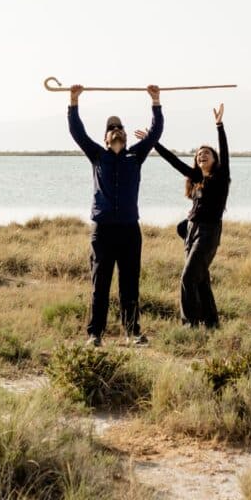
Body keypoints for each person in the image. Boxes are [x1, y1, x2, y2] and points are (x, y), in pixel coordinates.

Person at [67, 83, 163, 347]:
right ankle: (94, 334)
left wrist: (155, 101)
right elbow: (77, 132)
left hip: (130, 230)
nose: (116, 130)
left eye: (119, 127)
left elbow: (155, 133)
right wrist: (73, 102)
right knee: (101, 284)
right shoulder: (97, 156)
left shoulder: (136, 156)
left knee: (130, 284)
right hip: (103, 230)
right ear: (106, 137)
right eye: (111, 128)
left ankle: (133, 333)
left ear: (125, 135)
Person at [134, 103, 229, 329]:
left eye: (206, 153)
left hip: (208, 232)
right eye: (198, 154)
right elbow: (173, 160)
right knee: (201, 280)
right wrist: (153, 141)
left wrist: (219, 126)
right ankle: (212, 324)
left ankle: (189, 326)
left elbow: (225, 151)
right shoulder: (196, 179)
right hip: (191, 231)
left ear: (215, 159)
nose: (201, 156)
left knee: (188, 278)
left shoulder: (220, 178)